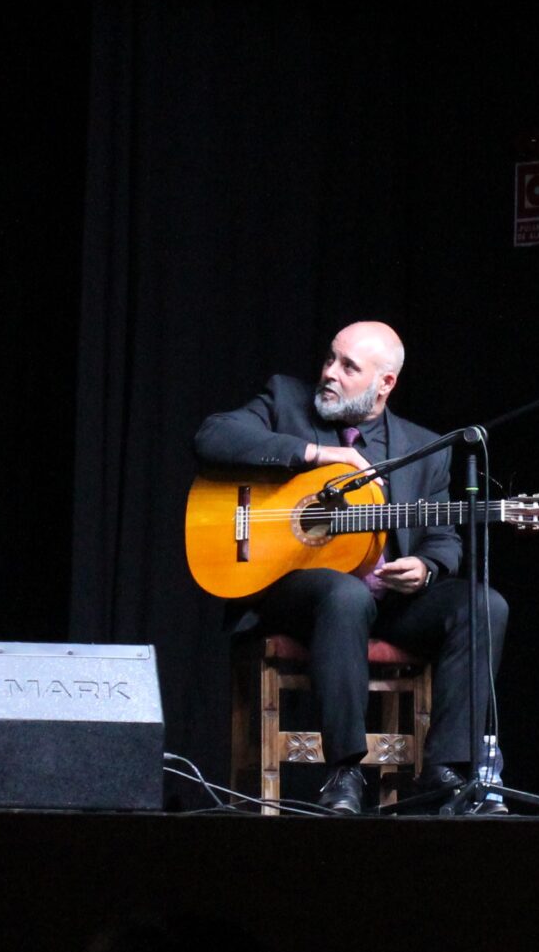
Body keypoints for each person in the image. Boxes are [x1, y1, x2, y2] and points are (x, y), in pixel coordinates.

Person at [194, 321, 508, 814]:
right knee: (345, 594)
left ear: (385, 384)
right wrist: (317, 453)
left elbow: (445, 538)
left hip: (388, 600)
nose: (329, 374)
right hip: (293, 591)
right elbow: (212, 436)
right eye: (329, 360)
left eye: (348, 367)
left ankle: (449, 771)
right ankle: (343, 772)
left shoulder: (424, 449)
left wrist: (425, 567)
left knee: (484, 604)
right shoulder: (285, 401)